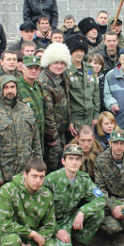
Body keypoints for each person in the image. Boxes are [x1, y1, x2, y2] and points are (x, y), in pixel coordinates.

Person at [0, 159, 65, 246]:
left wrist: (32, 244)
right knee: (13, 242)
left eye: (41, 177)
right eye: (34, 176)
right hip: (11, 233)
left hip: (35, 236)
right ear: (25, 174)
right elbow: (4, 224)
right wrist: (31, 233)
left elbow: (50, 225)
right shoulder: (8, 190)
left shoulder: (46, 194)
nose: (38, 181)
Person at [44, 144, 105, 246]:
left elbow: (101, 199)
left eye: (77, 159)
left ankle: (78, 242)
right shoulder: (51, 180)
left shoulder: (84, 179)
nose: (74, 162)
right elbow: (40, 211)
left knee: (99, 213)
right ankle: (56, 242)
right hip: (54, 223)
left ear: (82, 161)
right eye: (70, 159)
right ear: (63, 161)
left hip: (71, 218)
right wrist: (56, 230)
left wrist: (82, 212)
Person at [0, 74, 43, 186]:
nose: (9, 90)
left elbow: (36, 141)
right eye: (6, 87)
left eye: (12, 87)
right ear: (0, 89)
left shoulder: (27, 111)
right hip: (5, 172)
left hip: (27, 169)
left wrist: (39, 165)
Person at [38, 43, 72, 172]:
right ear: (48, 62)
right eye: (56, 62)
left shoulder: (62, 77)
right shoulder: (45, 81)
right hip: (53, 137)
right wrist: (52, 137)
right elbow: (48, 112)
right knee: (53, 167)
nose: (59, 66)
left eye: (62, 63)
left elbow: (66, 103)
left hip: (62, 132)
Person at [65, 35, 100, 136]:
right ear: (71, 51)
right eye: (76, 50)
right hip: (75, 118)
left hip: (89, 118)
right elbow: (64, 98)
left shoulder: (89, 69)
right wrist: (69, 121)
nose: (79, 54)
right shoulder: (66, 71)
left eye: (82, 51)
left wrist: (96, 115)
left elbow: (95, 93)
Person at [17, 56, 45, 150]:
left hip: (39, 136)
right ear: (22, 68)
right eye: (30, 68)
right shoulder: (16, 87)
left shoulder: (38, 86)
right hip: (24, 140)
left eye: (36, 68)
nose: (33, 71)